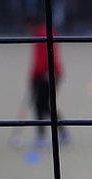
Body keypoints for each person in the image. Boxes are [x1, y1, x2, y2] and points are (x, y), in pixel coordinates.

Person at [26, 16, 68, 148]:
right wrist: (33, 77)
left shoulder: (43, 34)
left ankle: (52, 134)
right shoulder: (39, 34)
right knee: (41, 105)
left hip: (48, 75)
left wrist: (45, 73)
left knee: (43, 105)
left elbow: (46, 57)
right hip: (42, 75)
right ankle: (44, 135)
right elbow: (37, 59)